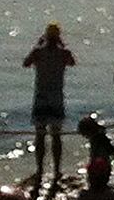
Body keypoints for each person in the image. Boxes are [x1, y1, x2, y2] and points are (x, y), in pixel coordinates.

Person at [25, 26, 76, 188]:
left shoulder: (38, 52)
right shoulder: (64, 53)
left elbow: (26, 63)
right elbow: (72, 63)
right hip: (56, 98)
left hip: (41, 97)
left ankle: (40, 169)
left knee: (40, 136)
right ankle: (57, 170)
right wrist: (62, 46)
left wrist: (38, 44)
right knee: (56, 136)